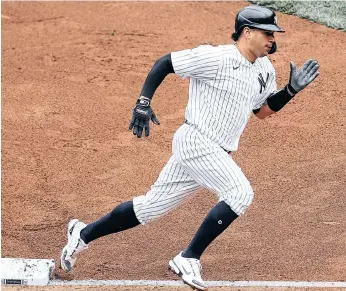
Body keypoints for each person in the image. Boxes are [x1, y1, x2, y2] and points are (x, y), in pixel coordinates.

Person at [60, 5, 319, 291]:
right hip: (196, 141)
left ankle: (82, 234)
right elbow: (165, 63)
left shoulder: (265, 70)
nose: (273, 39)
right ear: (247, 33)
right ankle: (188, 257)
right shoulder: (216, 57)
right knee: (240, 193)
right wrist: (143, 102)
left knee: (149, 208)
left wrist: (290, 91)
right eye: (267, 33)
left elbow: (261, 110)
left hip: (214, 153)